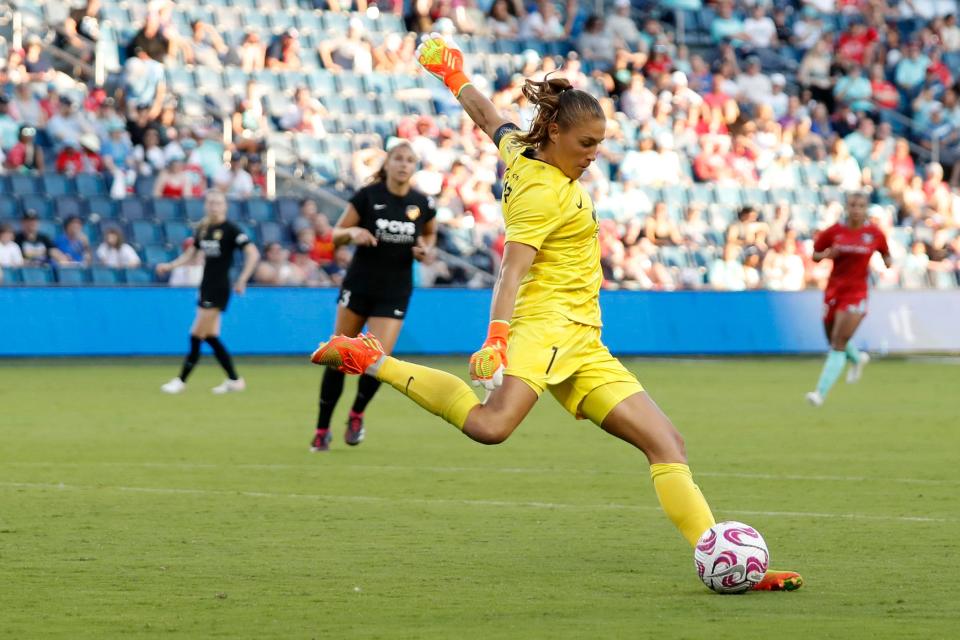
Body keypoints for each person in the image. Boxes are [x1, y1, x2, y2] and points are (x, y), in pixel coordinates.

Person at [311, 33, 802, 591]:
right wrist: (497, 338)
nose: (594, 155)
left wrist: (452, 75)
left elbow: (488, 117)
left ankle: (725, 564)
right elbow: (511, 271)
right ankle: (374, 361)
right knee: (491, 427)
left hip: (585, 342)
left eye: (600, 144)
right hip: (541, 329)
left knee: (667, 444)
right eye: (588, 143)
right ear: (557, 134)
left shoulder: (521, 149)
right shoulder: (542, 193)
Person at [310, 138, 437, 451]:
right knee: (338, 356)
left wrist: (426, 248)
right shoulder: (368, 196)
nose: (404, 164)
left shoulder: (421, 203)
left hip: (394, 290)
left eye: (410, 160)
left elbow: (431, 232)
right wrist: (353, 233)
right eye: (399, 158)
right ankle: (322, 428)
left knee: (377, 360)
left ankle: (357, 413)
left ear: (414, 167)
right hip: (360, 284)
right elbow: (336, 236)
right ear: (388, 164)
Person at [156, 190, 260, 395]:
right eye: (211, 202)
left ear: (225, 206)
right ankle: (234, 380)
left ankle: (181, 380)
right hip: (205, 286)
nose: (214, 206)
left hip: (220, 287)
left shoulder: (231, 229)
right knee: (210, 336)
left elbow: (253, 253)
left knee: (196, 335)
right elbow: (191, 253)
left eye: (218, 202)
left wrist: (242, 279)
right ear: (206, 205)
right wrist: (170, 266)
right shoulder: (203, 228)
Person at [806, 192, 891, 407]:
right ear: (847, 207)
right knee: (832, 337)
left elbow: (886, 256)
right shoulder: (834, 232)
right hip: (834, 291)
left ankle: (819, 393)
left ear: (866, 209)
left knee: (838, 342)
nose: (856, 209)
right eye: (852, 205)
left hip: (857, 292)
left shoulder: (874, 234)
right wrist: (827, 255)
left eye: (861, 205)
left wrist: (887, 263)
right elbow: (815, 255)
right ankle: (858, 358)